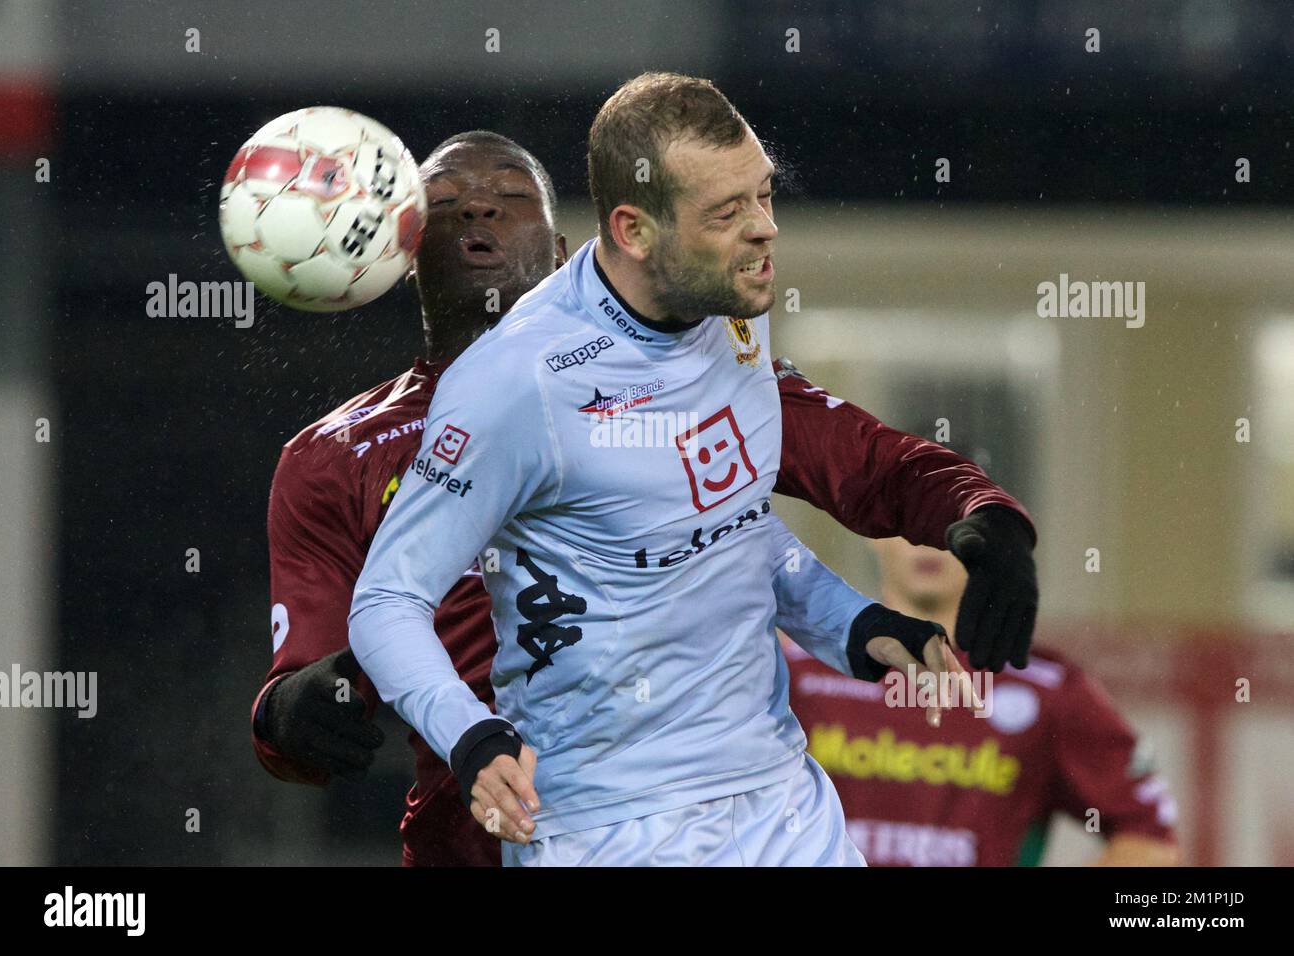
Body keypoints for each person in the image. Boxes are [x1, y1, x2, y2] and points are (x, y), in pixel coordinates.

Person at [253, 124, 1037, 865]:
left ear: (563, 251)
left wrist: (974, 515)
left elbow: (853, 472)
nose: (479, 206)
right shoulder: (334, 457)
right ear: (406, 251)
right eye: (448, 200)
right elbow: (317, 667)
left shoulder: (685, 371)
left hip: (684, 805)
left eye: (510, 195)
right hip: (474, 832)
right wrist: (291, 715)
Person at [786, 483, 1179, 867]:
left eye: (950, 523)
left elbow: (1151, 841)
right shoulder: (796, 675)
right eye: (904, 517)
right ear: (869, 530)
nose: (927, 540)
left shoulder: (1048, 690)